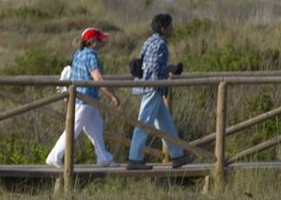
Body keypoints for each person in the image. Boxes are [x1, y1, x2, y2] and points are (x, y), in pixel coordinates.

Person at [46, 28, 120, 168]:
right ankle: (54, 156)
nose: (102, 42)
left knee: (96, 127)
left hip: (82, 98)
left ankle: (103, 157)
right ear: (91, 42)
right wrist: (113, 95)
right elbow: (98, 78)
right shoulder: (91, 56)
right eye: (99, 40)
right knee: (73, 129)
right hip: (84, 99)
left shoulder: (78, 53)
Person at [127, 13, 189, 170]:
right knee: (144, 123)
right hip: (153, 87)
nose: (172, 29)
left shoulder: (149, 41)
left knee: (165, 123)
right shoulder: (160, 44)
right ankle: (134, 158)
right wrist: (171, 68)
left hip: (149, 86)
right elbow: (155, 67)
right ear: (163, 28)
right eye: (170, 26)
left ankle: (177, 155)